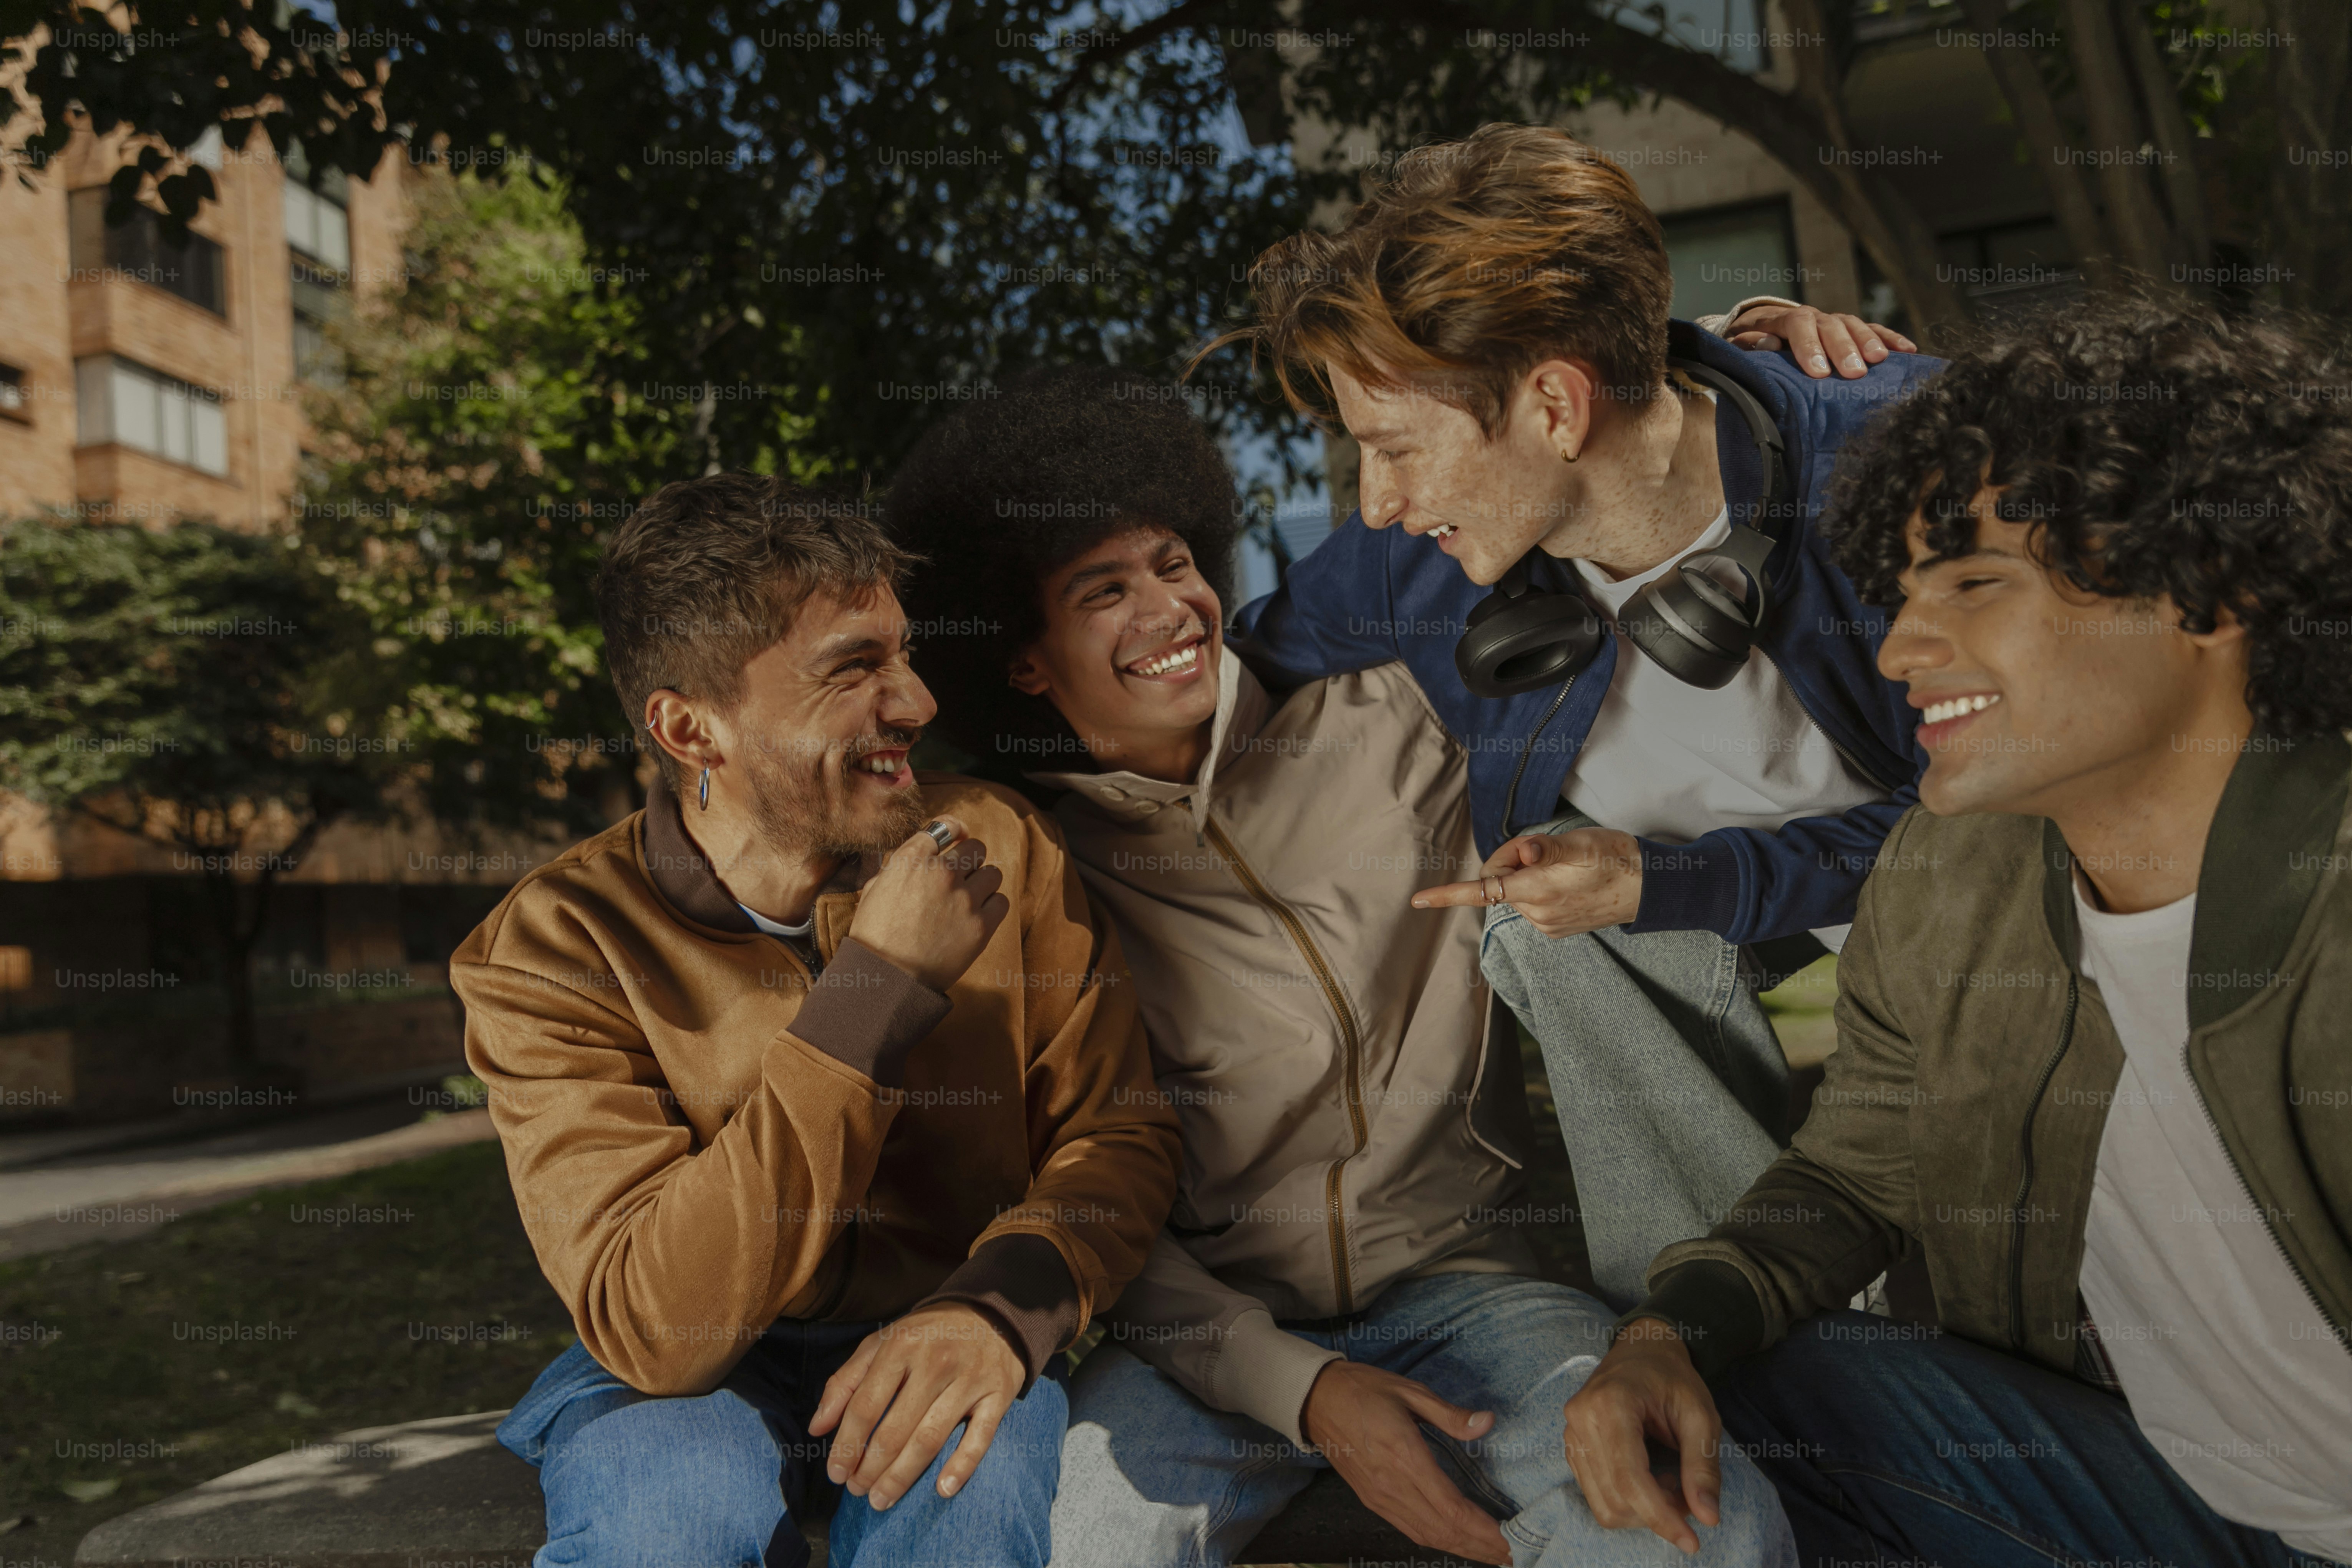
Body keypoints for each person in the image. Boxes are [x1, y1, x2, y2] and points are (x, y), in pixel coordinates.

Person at [888, 365, 1807, 1566]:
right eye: (1102, 591)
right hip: (1204, 1339)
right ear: (1024, 659)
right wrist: (1302, 1387)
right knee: (1063, 1545)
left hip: (1477, 1292)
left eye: (1174, 566)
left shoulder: (1396, 719)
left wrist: (1738, 354)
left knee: (1694, 1521)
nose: (1166, 609)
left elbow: (1585, 483)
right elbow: (1079, 1185)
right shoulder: (1034, 867)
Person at [1559, 294, 2352, 1568]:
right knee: (1721, 1400)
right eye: (1903, 589)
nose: (1904, 646)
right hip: (2166, 1498)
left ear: (2212, 593)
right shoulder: (1947, 872)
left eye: (1975, 582)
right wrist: (1666, 1335)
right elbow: (1857, 1168)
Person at [1216, 121, 1938, 1309]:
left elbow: (1999, 838)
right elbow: (1217, 667)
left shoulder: (1894, 461)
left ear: (1554, 401)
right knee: (1540, 922)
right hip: (1717, 922)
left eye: (1394, 450)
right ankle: (1729, 1334)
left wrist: (1673, 885)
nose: (1380, 504)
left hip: (1978, 897)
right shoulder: (1413, 567)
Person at [451, 476, 1179, 1568]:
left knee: (969, 1505)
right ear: (691, 727)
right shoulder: (554, 945)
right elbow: (656, 1324)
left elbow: (1116, 1135)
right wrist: (874, 990)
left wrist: (994, 1310)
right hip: (685, 1371)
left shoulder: (1001, 844)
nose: (918, 702)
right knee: (665, 1521)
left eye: (903, 653)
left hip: (949, 1312)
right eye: (854, 669)